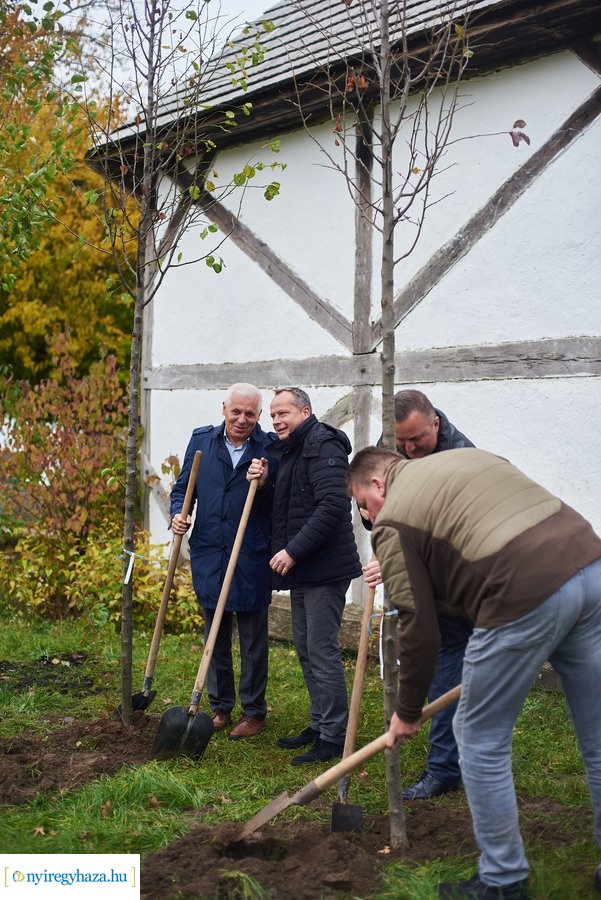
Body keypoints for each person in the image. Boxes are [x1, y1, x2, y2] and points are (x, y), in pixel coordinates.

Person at [348, 445, 601, 900]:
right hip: (588, 562)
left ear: (378, 484)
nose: (370, 518)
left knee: (479, 737)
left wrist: (407, 712)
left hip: (520, 589)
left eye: (365, 506)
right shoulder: (467, 458)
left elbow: (418, 628)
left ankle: (502, 881)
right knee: (599, 737)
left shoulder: (394, 520)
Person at [364, 389, 474, 800]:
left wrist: (402, 561)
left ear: (436, 424)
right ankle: (454, 758)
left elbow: (455, 538)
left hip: (457, 590)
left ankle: (446, 769)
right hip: (421, 585)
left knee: (447, 671)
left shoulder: (461, 463)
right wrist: (369, 514)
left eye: (417, 440)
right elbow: (376, 504)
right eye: (401, 442)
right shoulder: (389, 449)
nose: (409, 449)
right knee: (440, 670)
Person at [247, 387, 362, 765]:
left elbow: (332, 507)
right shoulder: (292, 449)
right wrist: (264, 482)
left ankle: (334, 735)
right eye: (274, 415)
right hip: (305, 569)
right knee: (306, 647)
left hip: (324, 568)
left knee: (322, 651)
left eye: (284, 414)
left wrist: (293, 550)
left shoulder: (324, 446)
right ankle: (319, 724)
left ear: (305, 411)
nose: (277, 421)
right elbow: (289, 506)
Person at [170, 383, 278, 740]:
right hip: (209, 551)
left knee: (252, 637)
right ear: (224, 410)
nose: (242, 419)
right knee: (213, 632)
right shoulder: (202, 441)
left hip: (250, 553)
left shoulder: (270, 448)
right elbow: (183, 489)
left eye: (250, 413)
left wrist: (263, 483)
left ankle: (253, 711)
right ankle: (219, 706)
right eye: (236, 411)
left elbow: (281, 499)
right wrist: (177, 515)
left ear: (259, 416)